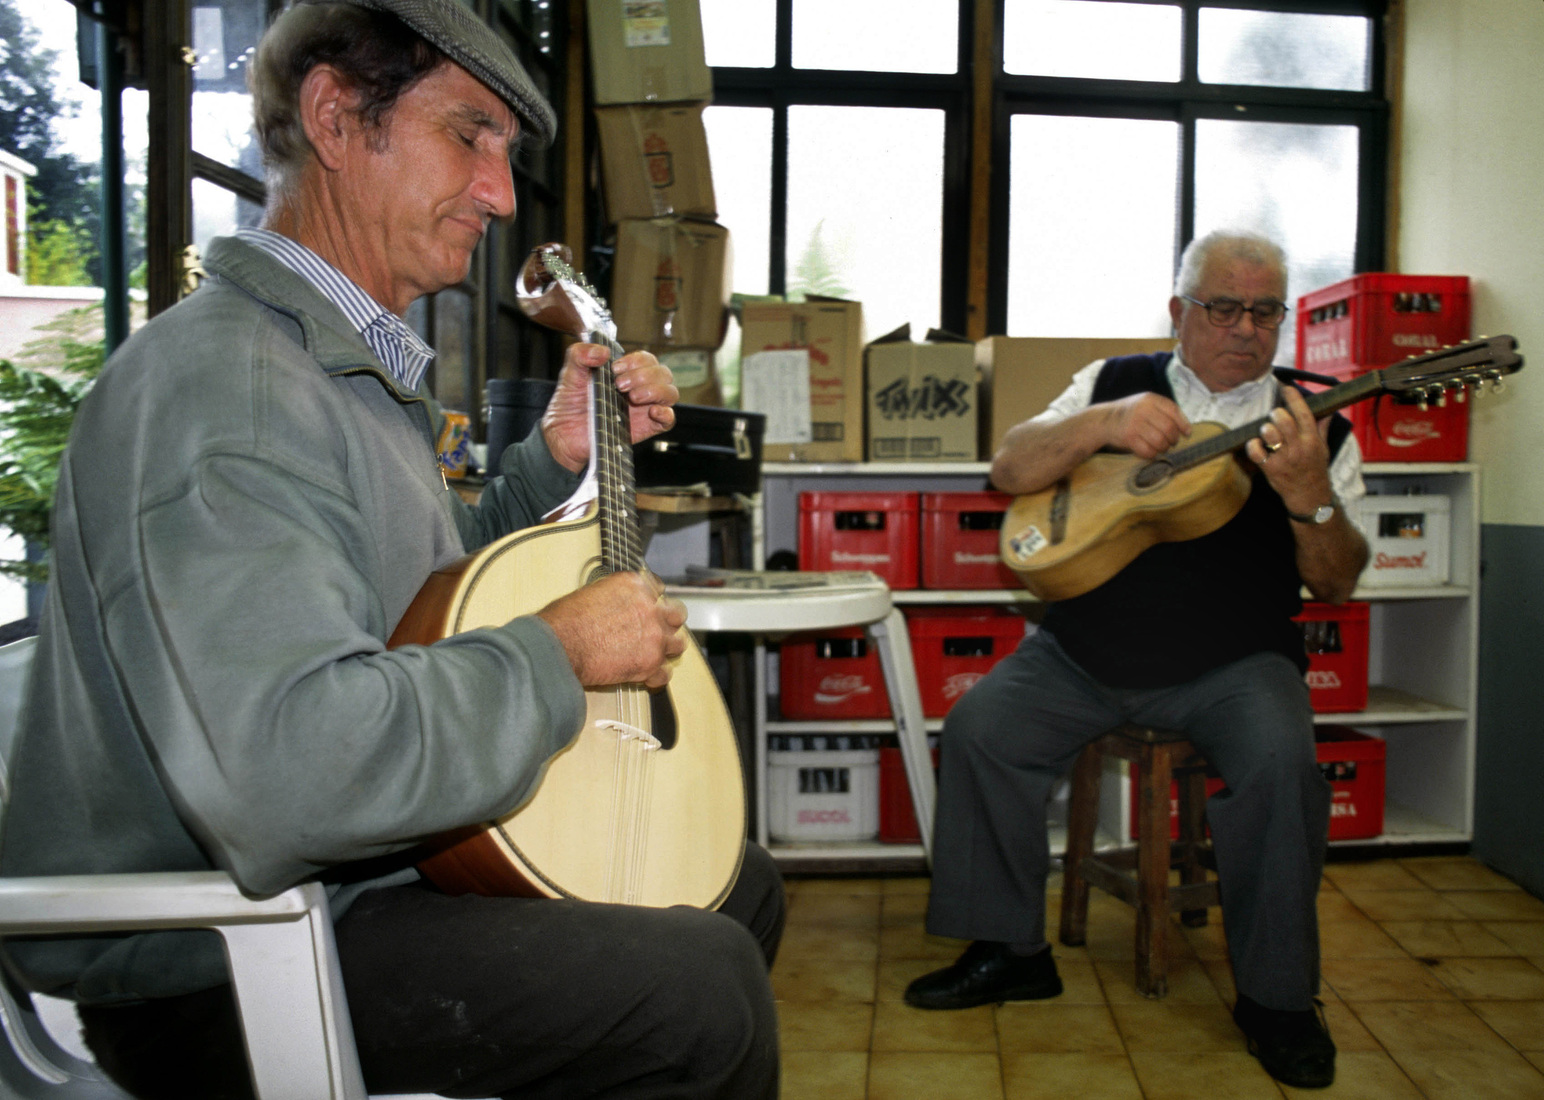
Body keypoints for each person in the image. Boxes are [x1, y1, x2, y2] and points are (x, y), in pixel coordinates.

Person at [0, 2, 783, 1097]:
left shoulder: (335, 368)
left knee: (731, 883)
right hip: (213, 955)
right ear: (333, 115)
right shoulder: (230, 392)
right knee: (695, 993)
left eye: (506, 154)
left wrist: (546, 463)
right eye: (469, 134)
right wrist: (555, 654)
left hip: (348, 883)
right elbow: (293, 770)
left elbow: (413, 603)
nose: (500, 193)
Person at [906, 231, 1367, 1091]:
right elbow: (1012, 466)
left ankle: (1278, 1001)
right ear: (1178, 310)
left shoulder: (1318, 422)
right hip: (1084, 651)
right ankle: (1012, 950)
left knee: (1282, 765)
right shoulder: (1114, 380)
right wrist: (1106, 424)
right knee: (981, 729)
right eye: (1222, 307)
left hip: (1237, 665)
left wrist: (1310, 499)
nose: (1244, 328)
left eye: (1264, 311)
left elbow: (1338, 584)